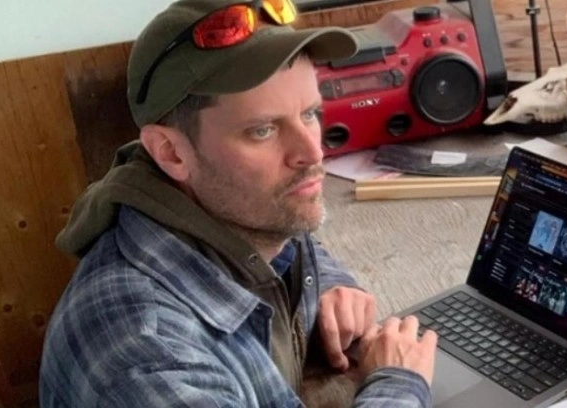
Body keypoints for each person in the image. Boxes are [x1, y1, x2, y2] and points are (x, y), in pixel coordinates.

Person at [38, 0, 438, 406]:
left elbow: (291, 241)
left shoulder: (237, 207)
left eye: (310, 113)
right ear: (171, 152)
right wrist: (397, 383)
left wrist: (330, 287)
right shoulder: (148, 358)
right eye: (263, 131)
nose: (312, 153)